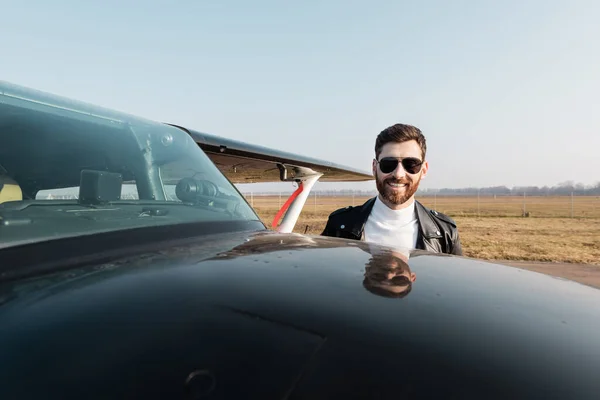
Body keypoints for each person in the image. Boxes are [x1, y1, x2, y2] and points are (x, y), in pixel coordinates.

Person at [321, 123, 462, 255]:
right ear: (374, 167)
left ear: (423, 170)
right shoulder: (340, 225)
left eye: (411, 164)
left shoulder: (445, 233)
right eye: (388, 164)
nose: (398, 174)